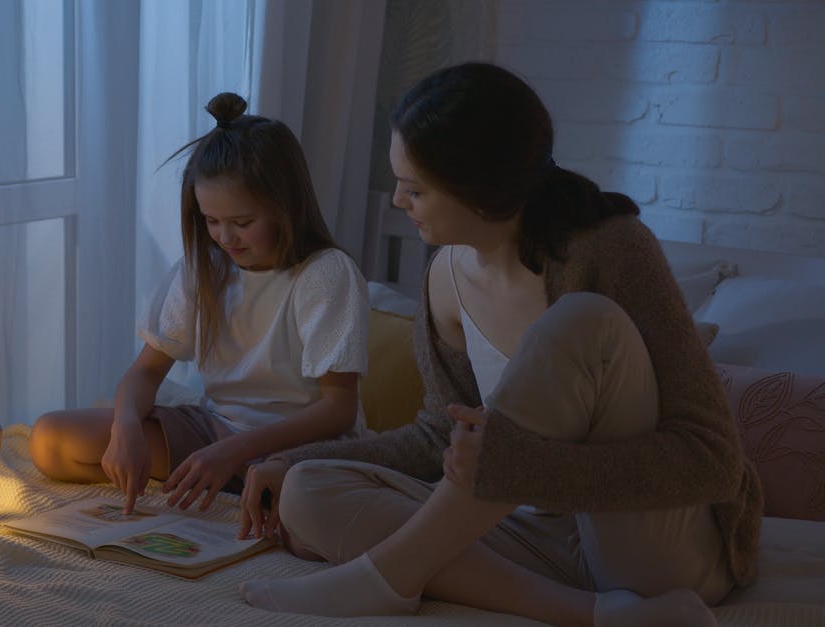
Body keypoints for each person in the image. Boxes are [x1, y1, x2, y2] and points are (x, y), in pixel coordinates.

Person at [237, 62, 762, 627]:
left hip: (650, 543)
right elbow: (442, 436)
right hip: (535, 537)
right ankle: (598, 615)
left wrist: (527, 467)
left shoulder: (613, 250)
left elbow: (712, 461)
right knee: (306, 490)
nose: (396, 202)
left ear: (480, 190)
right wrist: (294, 459)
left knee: (583, 319)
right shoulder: (444, 277)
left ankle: (387, 578)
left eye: (414, 188)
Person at [28, 92, 370, 522]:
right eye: (211, 222)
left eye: (242, 223)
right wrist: (126, 428)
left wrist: (234, 451)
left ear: (286, 206)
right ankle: (234, 482)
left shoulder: (325, 274)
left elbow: (337, 409)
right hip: (215, 431)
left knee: (312, 509)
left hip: (296, 447)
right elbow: (147, 371)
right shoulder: (205, 267)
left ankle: (253, 485)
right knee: (51, 439)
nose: (226, 238)